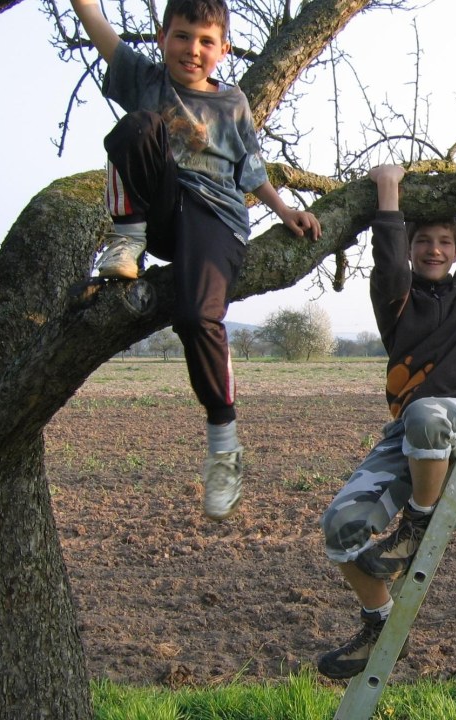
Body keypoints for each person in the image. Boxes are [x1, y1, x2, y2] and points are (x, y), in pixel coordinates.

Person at [69, 0, 322, 521]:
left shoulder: (231, 104)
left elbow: (251, 169)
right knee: (134, 127)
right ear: (163, 38)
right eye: (182, 37)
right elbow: (100, 29)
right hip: (162, 212)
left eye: (206, 41)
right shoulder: (145, 78)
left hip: (215, 220)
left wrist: (284, 209)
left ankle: (224, 444)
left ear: (222, 49)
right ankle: (126, 240)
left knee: (195, 315)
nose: (193, 49)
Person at [316, 100, 456, 680]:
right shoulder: (398, 302)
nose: (434, 248)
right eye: (422, 241)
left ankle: (418, 525)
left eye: (444, 240)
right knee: (340, 526)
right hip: (413, 430)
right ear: (410, 249)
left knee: (429, 414)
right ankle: (381, 621)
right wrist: (389, 199)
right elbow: (385, 265)